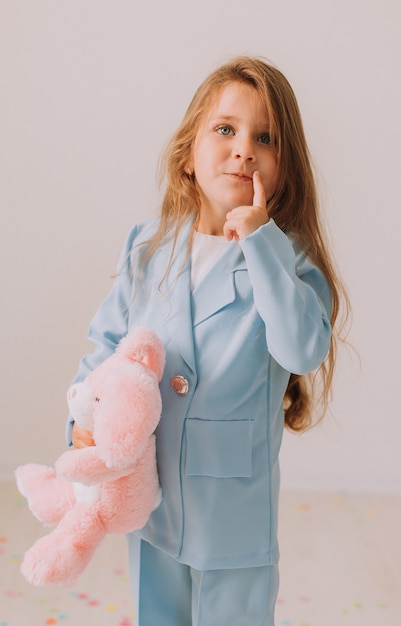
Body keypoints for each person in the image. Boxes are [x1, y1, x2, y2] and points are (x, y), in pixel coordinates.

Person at [67, 56, 348, 626]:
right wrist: (83, 413)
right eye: (226, 129)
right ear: (188, 156)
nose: (243, 148)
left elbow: (300, 349)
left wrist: (259, 237)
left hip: (233, 510)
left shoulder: (288, 263)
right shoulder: (148, 246)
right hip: (148, 492)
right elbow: (106, 341)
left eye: (264, 138)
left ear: (284, 168)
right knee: (157, 614)